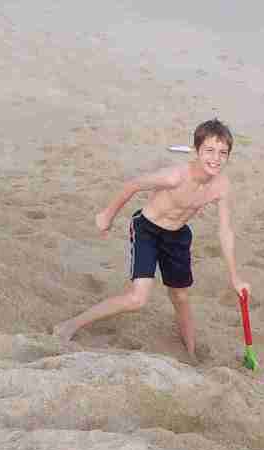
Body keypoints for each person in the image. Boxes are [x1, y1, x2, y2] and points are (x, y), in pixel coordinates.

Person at [54, 118, 250, 359]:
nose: (216, 158)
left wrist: (235, 278)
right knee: (138, 299)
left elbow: (225, 231)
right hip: (148, 229)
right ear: (196, 150)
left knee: (180, 296)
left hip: (177, 236)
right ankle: (70, 326)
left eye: (223, 153)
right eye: (209, 150)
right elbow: (133, 184)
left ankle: (191, 354)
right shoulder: (175, 176)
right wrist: (107, 216)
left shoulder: (221, 186)